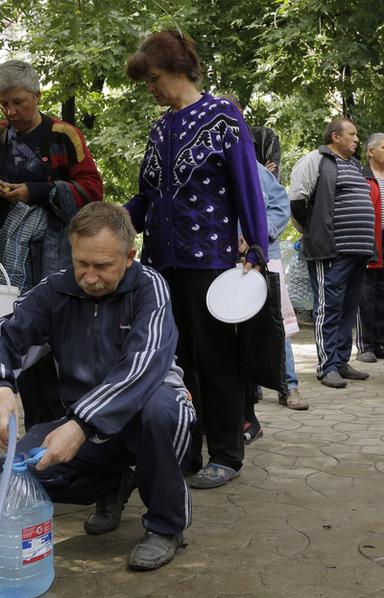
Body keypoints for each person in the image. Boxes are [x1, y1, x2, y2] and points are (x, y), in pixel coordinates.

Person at [0, 202, 195, 572]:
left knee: (161, 410)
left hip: (145, 415)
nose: (90, 278)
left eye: (103, 266)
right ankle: (113, 481)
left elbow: (140, 369)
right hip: (87, 426)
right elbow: (3, 332)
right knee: (12, 474)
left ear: (130, 256)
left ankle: (165, 525)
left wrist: (80, 425)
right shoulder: (56, 289)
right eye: (82, 263)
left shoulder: (150, 289)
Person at [123, 30, 268, 489]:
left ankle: (226, 452)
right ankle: (186, 451)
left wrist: (257, 245)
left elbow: (248, 185)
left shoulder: (223, 115)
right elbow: (146, 197)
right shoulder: (160, 128)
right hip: (163, 264)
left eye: (154, 78)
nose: (150, 88)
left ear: (179, 71)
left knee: (217, 358)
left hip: (211, 261)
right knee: (175, 360)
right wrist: (111, 224)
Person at [0, 59, 103, 429]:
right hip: (7, 257)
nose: (11, 111)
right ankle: (35, 428)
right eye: (3, 103)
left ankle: (69, 424)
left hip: (56, 255)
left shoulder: (63, 135)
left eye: (19, 102)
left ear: (37, 96)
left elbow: (92, 190)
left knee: (59, 342)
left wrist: (37, 191)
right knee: (19, 336)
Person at [289, 117, 376, 388]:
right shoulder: (315, 160)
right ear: (335, 137)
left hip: (358, 250)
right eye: (352, 133)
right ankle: (327, 366)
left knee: (348, 308)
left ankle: (340, 361)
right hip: (331, 250)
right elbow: (297, 201)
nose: (357, 139)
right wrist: (314, 232)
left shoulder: (353, 165)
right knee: (328, 307)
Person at [240, 162, 308, 443]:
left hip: (264, 256)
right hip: (225, 261)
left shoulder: (256, 170)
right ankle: (250, 390)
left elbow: (280, 205)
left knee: (275, 323)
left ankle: (288, 385)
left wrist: (255, 235)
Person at [355, 133, 384, 363]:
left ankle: (380, 342)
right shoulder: (361, 176)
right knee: (366, 294)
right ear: (371, 151)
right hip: (369, 237)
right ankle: (365, 345)